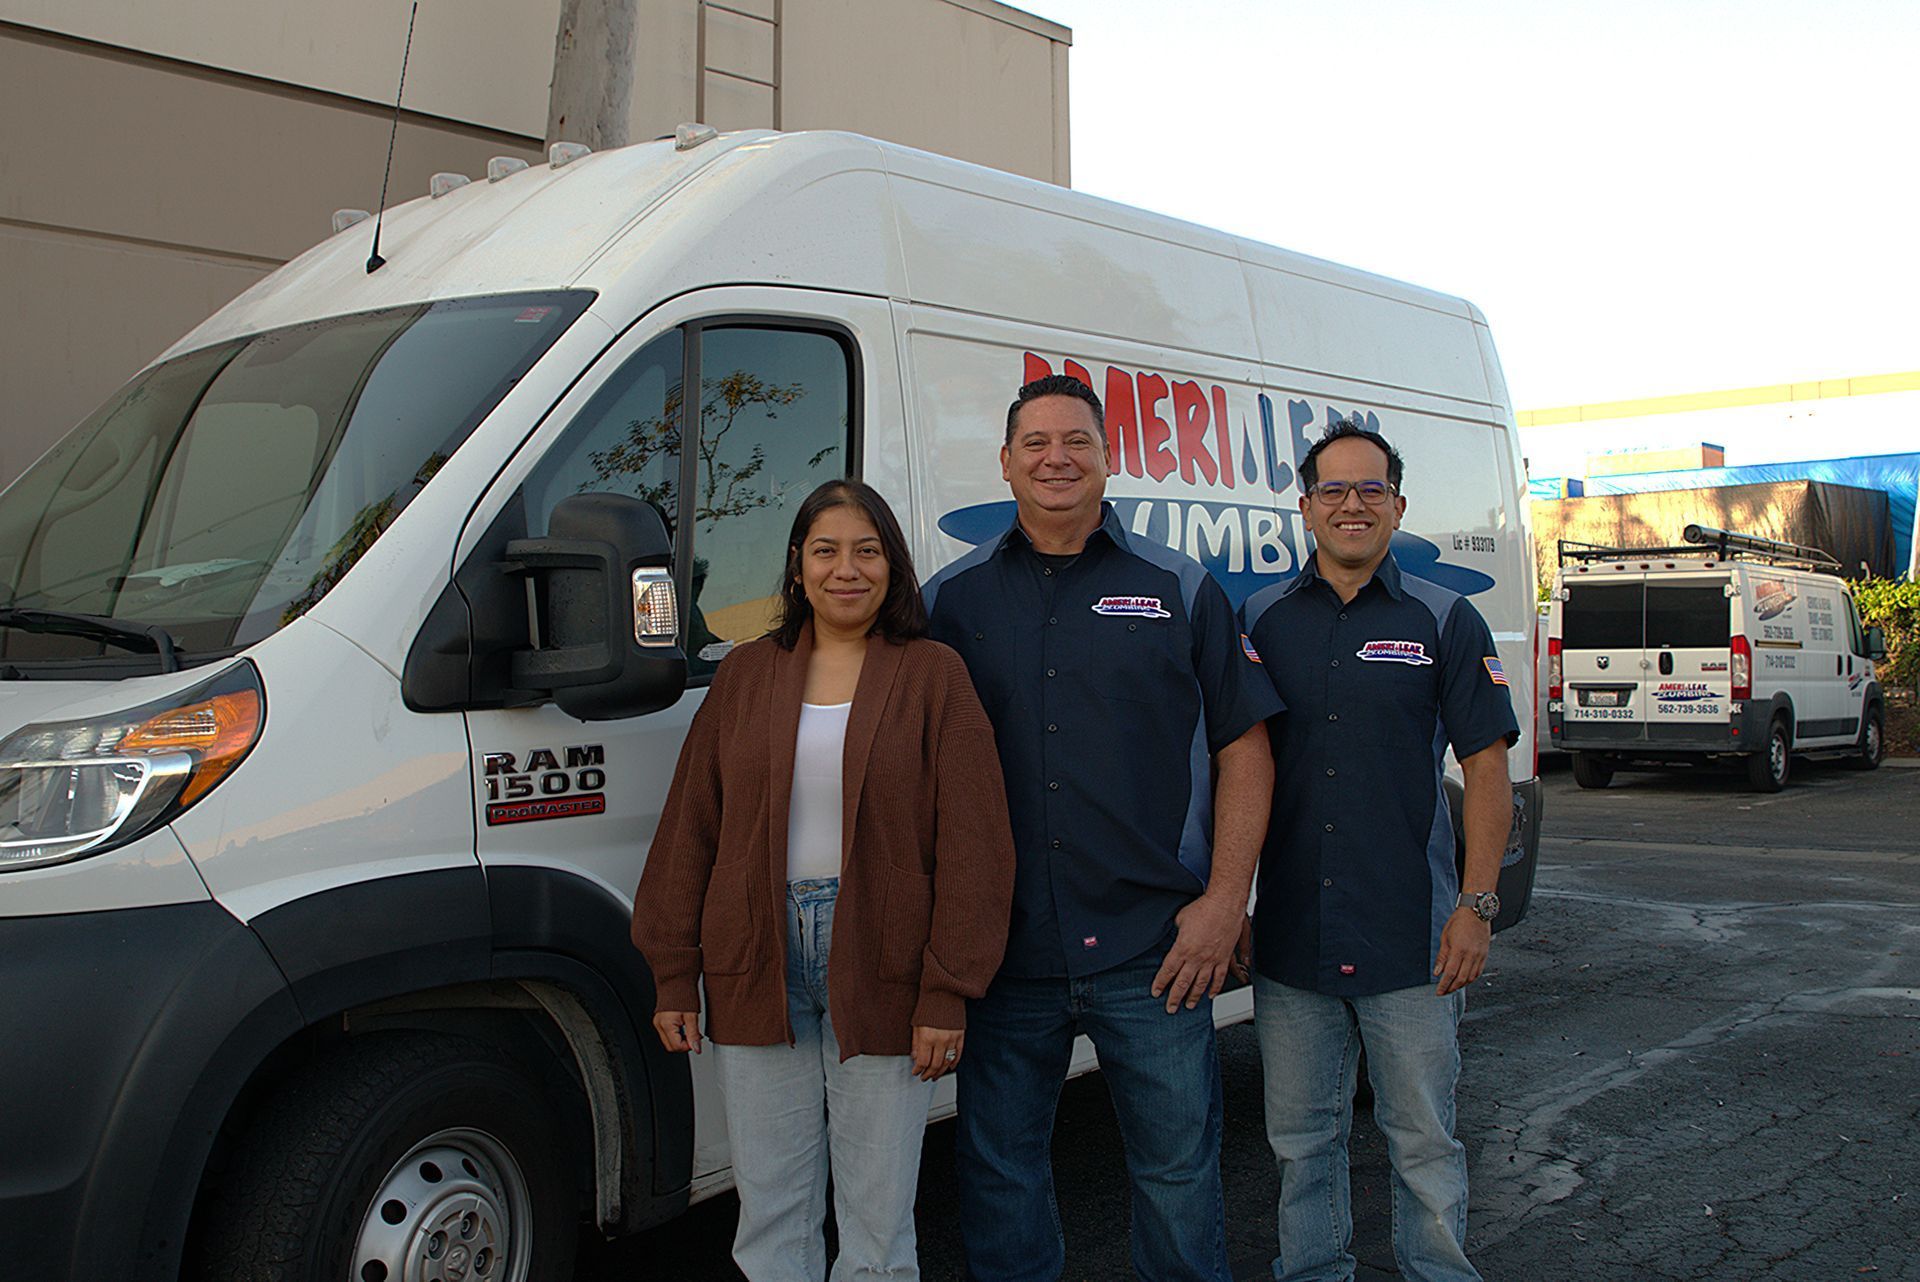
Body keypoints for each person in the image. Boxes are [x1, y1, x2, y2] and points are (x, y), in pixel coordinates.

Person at [924, 374, 1280, 1282]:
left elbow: (1245, 747)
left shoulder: (1179, 586)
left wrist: (1223, 901)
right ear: (1005, 462)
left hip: (1152, 949)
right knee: (1001, 1178)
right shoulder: (948, 604)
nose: (1057, 458)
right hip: (1006, 956)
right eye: (1036, 442)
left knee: (1176, 1175)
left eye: (1077, 441)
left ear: (1109, 459)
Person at [632, 478, 1016, 1282]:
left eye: (867, 551)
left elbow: (977, 847)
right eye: (827, 551)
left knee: (877, 1229)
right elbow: (689, 829)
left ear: (893, 566)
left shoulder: (934, 676)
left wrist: (947, 989)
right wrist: (673, 972)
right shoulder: (744, 676)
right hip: (755, 957)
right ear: (798, 567)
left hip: (885, 958)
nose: (848, 569)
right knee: (771, 1216)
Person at [1237, 420, 1518, 1282]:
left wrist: (1475, 908)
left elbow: (1487, 767)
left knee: (1423, 1141)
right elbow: (1234, 771)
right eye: (1334, 490)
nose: (1351, 505)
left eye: (1370, 491)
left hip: (1413, 936)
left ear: (1398, 506)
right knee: (1301, 1143)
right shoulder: (1260, 619)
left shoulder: (1444, 618)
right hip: (1291, 938)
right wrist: (1235, 906)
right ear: (1304, 508)